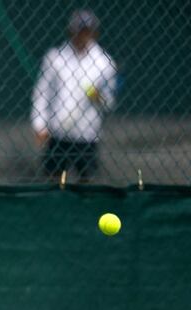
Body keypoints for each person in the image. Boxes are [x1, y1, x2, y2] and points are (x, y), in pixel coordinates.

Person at [31, 9, 117, 182]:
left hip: (87, 134)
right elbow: (42, 92)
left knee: (87, 182)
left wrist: (98, 96)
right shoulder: (55, 58)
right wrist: (39, 124)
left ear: (94, 32)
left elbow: (109, 102)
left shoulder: (105, 63)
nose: (82, 36)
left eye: (87, 31)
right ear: (71, 31)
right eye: (79, 31)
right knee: (53, 180)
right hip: (58, 133)